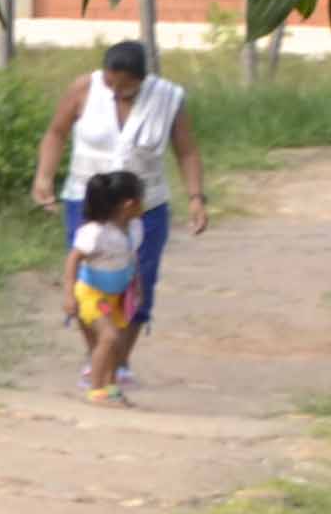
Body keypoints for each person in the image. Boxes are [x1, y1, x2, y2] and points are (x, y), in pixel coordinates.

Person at [35, 38, 205, 344]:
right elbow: (56, 132)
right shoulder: (84, 89)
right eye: (110, 83)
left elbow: (187, 151)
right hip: (87, 203)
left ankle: (117, 364)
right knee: (90, 281)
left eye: (124, 88)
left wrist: (195, 197)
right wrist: (44, 177)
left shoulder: (168, 98)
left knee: (139, 280)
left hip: (144, 207)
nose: (114, 93)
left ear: (141, 79)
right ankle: (98, 359)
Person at [68, 170, 151, 402]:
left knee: (119, 340)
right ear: (128, 204)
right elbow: (73, 259)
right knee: (109, 337)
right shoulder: (94, 233)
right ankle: (95, 387)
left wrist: (138, 287)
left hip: (119, 293)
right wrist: (69, 294)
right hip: (94, 293)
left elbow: (132, 257)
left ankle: (111, 382)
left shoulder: (135, 228)